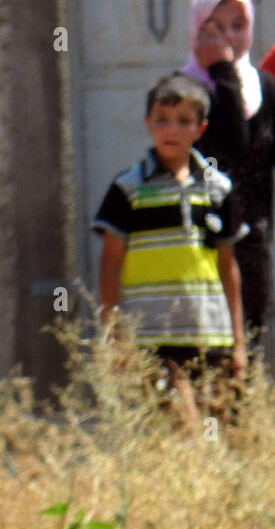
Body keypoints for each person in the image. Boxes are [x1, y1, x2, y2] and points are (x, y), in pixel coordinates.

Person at [93, 74, 247, 423]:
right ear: (148, 124)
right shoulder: (128, 189)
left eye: (183, 121)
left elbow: (227, 266)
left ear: (200, 128)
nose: (171, 130)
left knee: (219, 431)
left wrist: (238, 342)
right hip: (151, 336)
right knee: (181, 428)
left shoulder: (218, 189)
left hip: (209, 332)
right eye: (161, 120)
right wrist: (114, 335)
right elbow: (110, 265)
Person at [180, 0, 275, 339]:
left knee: (250, 344)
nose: (228, 39)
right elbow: (234, 140)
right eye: (215, 28)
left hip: (254, 240)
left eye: (237, 26)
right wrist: (222, 71)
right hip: (202, 243)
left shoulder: (262, 86)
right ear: (196, 30)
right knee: (207, 350)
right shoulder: (184, 91)